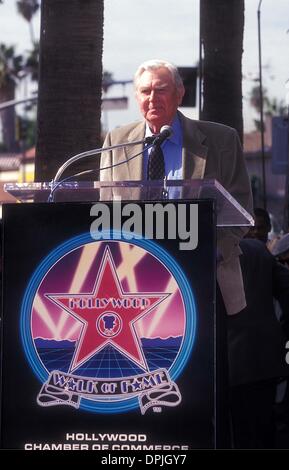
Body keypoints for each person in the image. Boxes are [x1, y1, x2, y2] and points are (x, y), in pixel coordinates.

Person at [100, 59, 253, 317]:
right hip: (133, 284)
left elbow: (241, 207)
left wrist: (210, 252)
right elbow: (104, 209)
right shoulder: (117, 142)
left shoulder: (221, 141)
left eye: (161, 90)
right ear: (137, 97)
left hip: (204, 278)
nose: (152, 98)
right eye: (145, 91)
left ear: (179, 93)